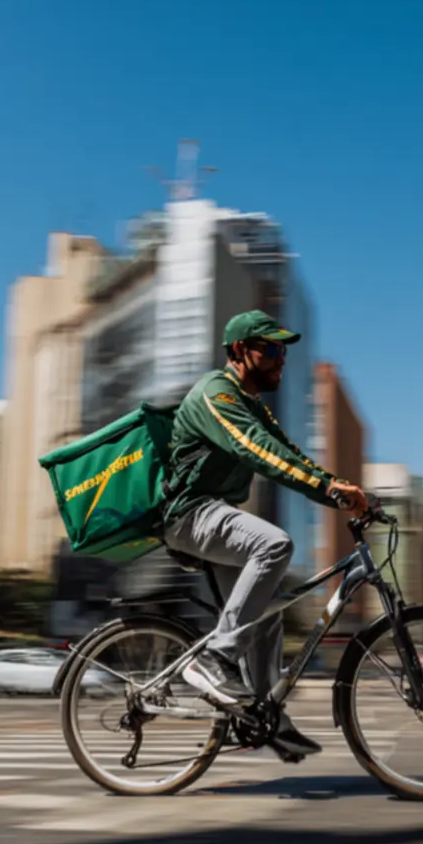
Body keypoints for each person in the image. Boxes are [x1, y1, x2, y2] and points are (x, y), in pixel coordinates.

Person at [161, 309, 369, 760]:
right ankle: (212, 660)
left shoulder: (251, 404)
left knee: (270, 609)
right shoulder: (216, 394)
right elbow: (255, 450)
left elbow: (285, 451)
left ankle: (264, 716)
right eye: (272, 349)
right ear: (239, 351)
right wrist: (325, 489)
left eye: (284, 351)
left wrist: (335, 485)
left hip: (213, 515)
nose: (281, 359)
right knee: (275, 544)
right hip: (189, 515)